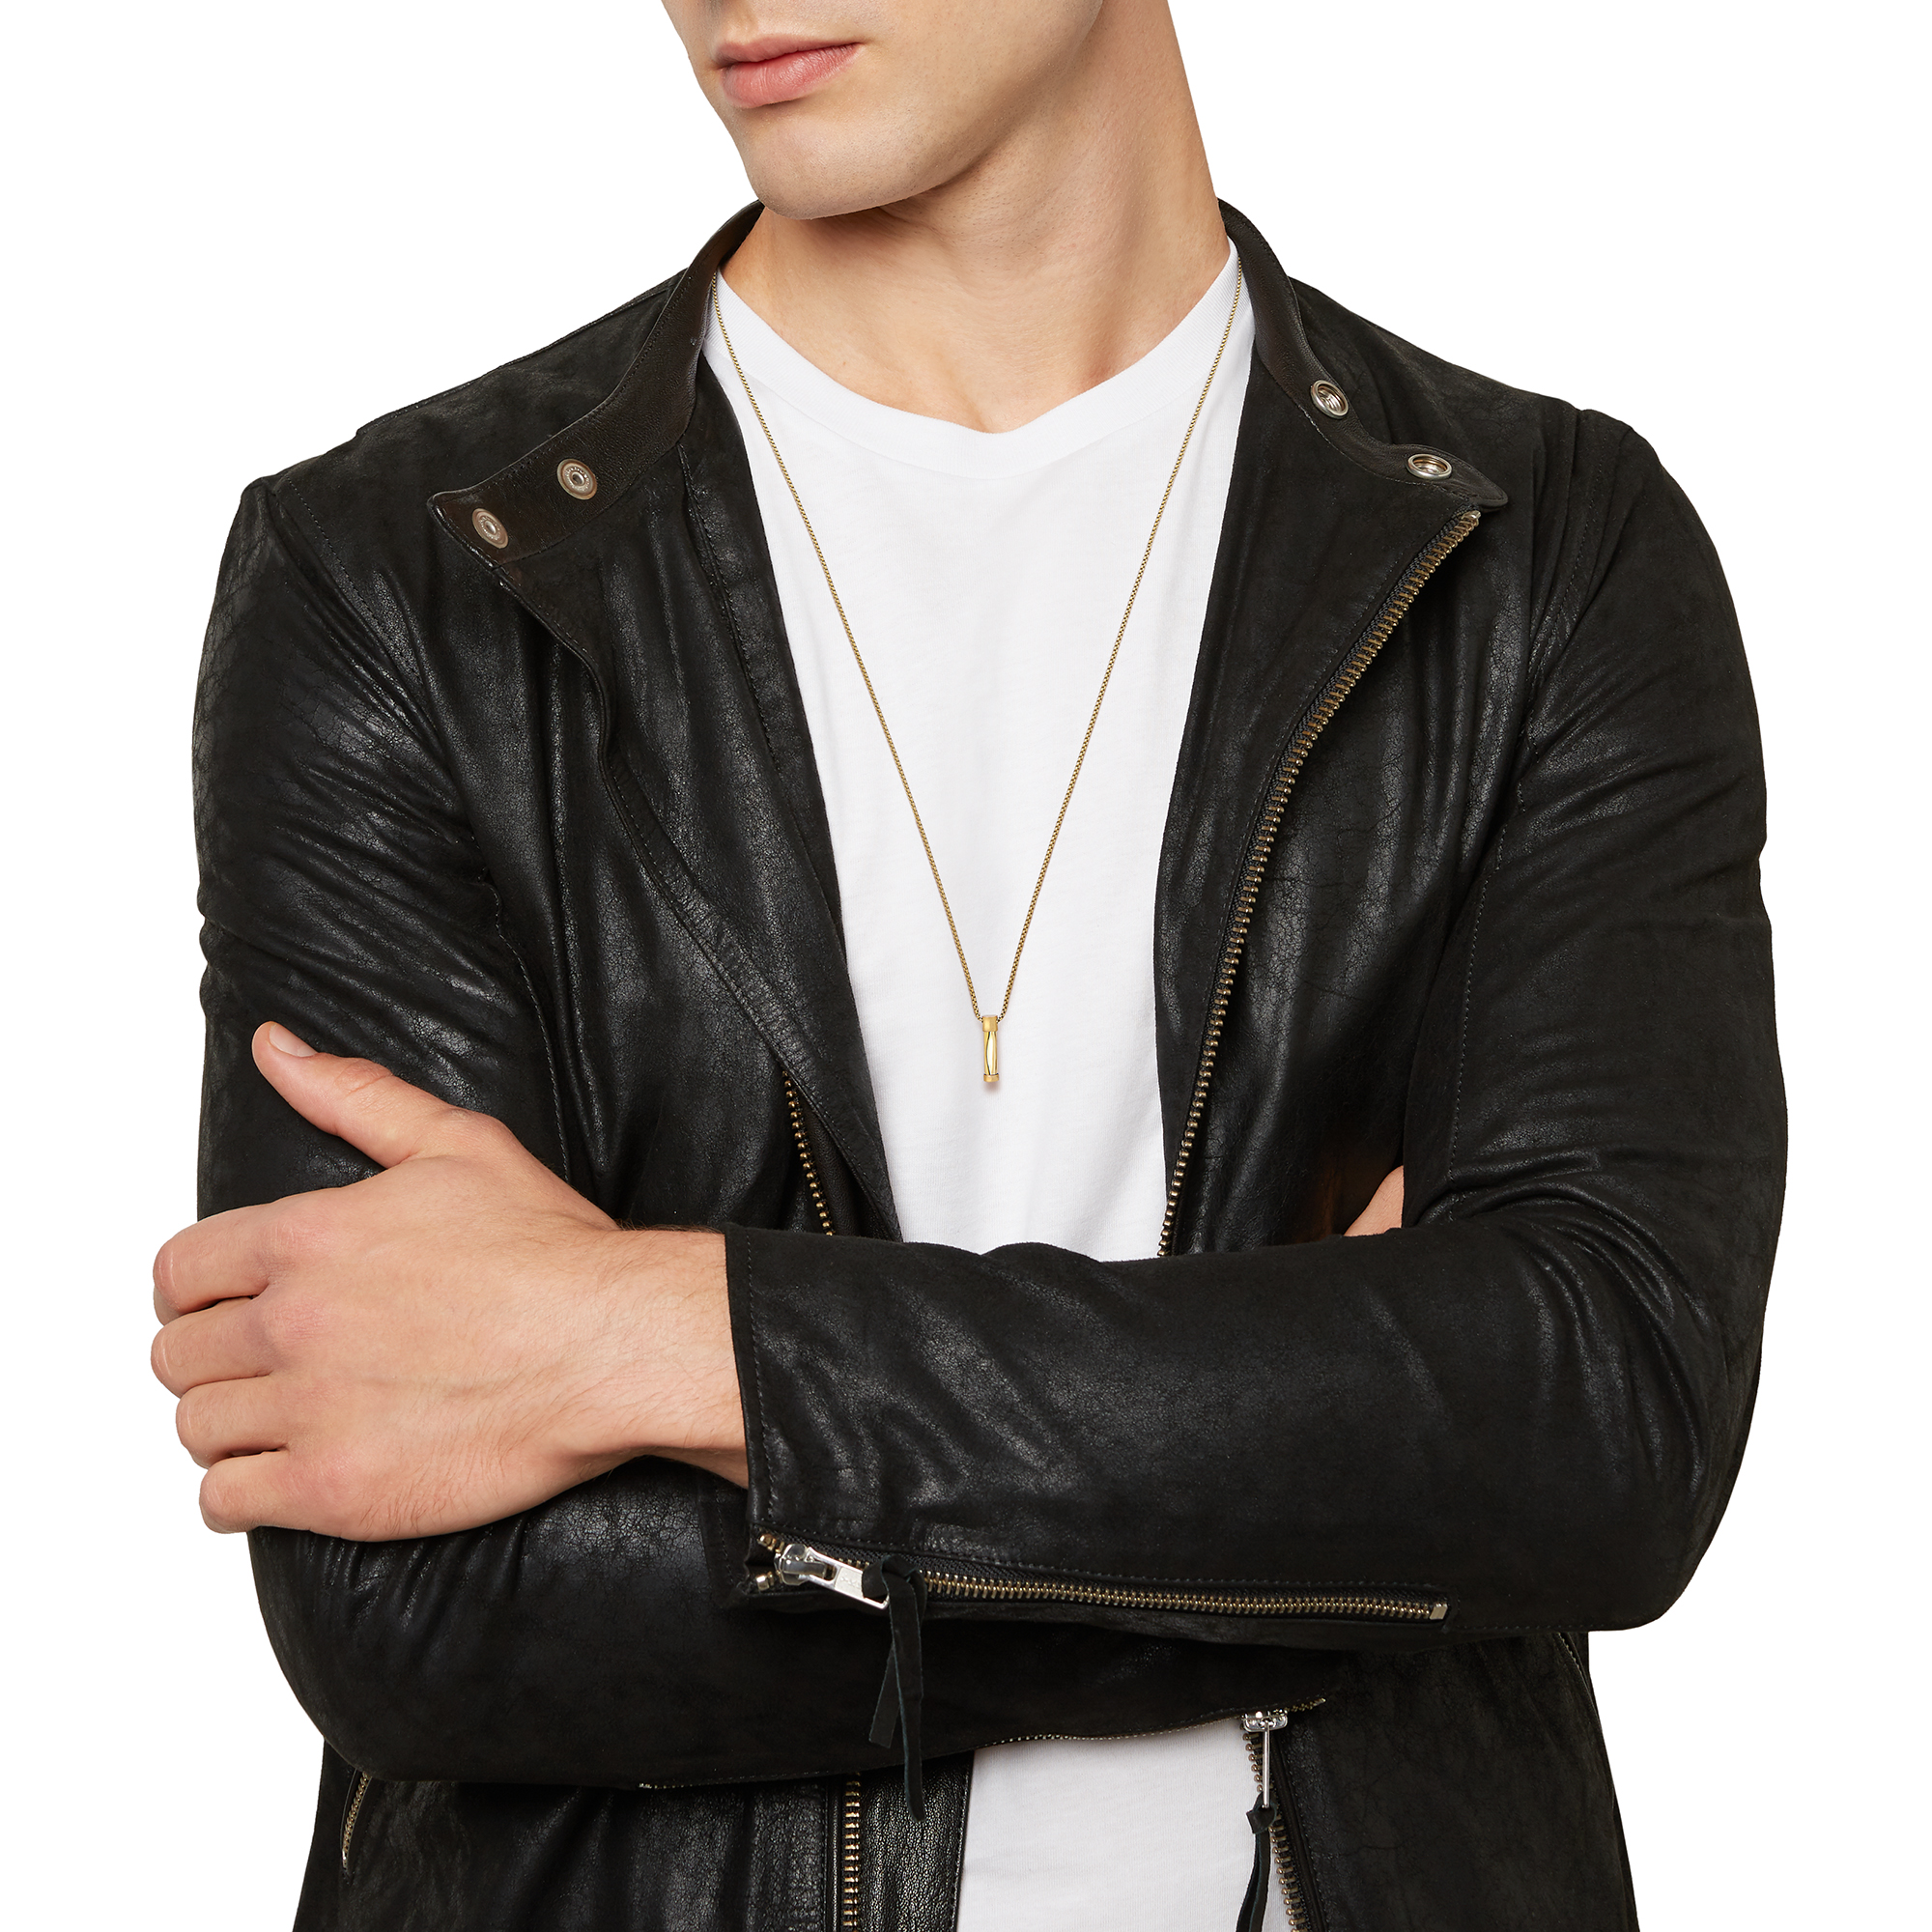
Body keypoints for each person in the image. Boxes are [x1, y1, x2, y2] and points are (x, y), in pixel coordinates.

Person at [151, 3, 1784, 1927]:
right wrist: (1322, 1481)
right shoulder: (401, 580)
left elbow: (1600, 1423)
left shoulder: (1541, 559)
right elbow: (413, 1608)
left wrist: (649, 1336)